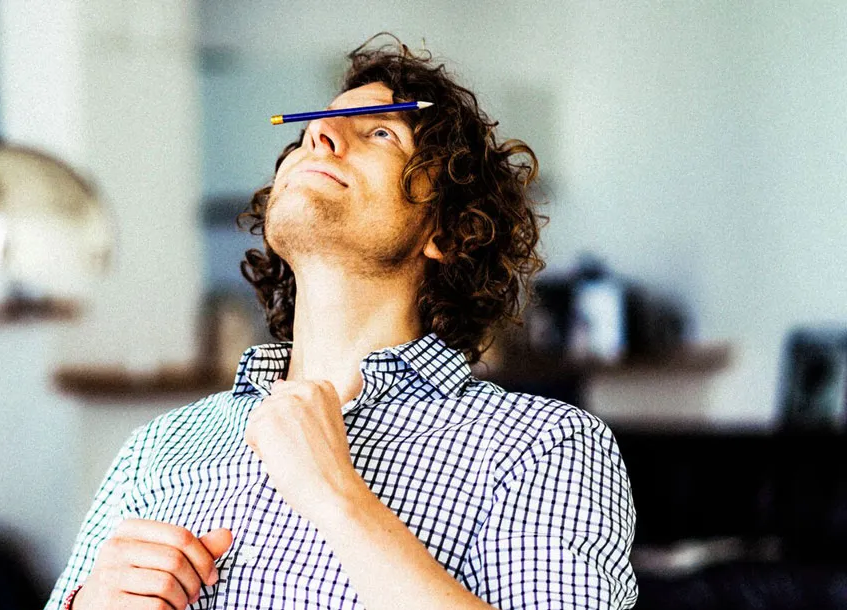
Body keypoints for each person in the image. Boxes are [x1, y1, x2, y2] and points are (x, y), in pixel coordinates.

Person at [47, 36, 637, 610]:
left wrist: (336, 496)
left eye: (380, 132)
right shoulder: (158, 447)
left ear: (449, 232)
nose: (320, 137)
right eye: (311, 133)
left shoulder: (542, 447)